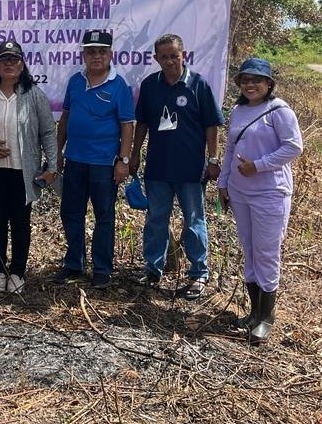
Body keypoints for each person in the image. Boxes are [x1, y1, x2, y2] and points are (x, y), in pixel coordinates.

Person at [129, 33, 224, 298]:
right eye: (164, 56)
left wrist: (214, 159)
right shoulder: (150, 86)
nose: (170, 61)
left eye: (174, 55)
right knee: (156, 219)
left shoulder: (198, 85)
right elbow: (143, 124)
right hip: (158, 169)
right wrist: (134, 154)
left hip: (191, 170)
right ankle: (152, 269)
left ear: (184, 55)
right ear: (156, 58)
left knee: (194, 221)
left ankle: (198, 273)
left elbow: (211, 125)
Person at [218, 58, 302, 345]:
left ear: (269, 83)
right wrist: (223, 183)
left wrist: (259, 165)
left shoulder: (280, 111)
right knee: (250, 250)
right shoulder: (239, 110)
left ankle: (266, 317)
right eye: (245, 80)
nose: (251, 84)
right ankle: (254, 313)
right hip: (240, 193)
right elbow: (230, 149)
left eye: (257, 79)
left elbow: (293, 147)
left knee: (267, 253)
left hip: (270, 193)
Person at [0, 40, 58, 294]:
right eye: (4, 59)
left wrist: (52, 166)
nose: (9, 64)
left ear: (22, 65)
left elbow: (48, 132)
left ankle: (17, 272)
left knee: (21, 222)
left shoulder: (34, 94)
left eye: (14, 59)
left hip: (23, 173)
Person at [53, 29, 135, 290]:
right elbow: (65, 118)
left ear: (110, 54)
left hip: (103, 163)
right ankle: (74, 265)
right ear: (84, 54)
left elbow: (127, 125)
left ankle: (102, 269)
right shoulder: (75, 81)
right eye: (91, 51)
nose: (96, 56)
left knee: (104, 216)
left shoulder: (119, 85)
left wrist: (123, 160)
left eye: (102, 51)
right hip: (75, 160)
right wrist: (58, 153)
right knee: (71, 213)